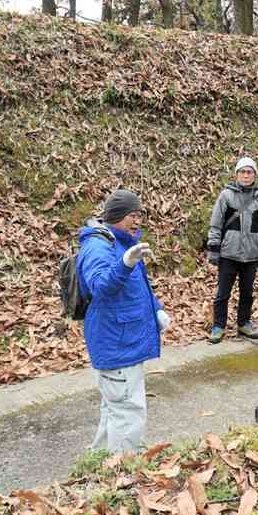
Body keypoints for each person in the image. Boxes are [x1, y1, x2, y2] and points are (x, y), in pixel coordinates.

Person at [77, 189, 169, 453]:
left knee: (115, 409)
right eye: (133, 215)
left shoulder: (122, 242)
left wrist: (156, 310)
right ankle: (125, 470)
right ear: (117, 216)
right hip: (116, 343)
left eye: (139, 214)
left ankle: (102, 461)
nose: (137, 220)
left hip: (126, 339)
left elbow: (138, 288)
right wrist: (125, 263)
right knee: (129, 410)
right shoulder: (98, 246)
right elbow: (100, 286)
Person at [206, 156, 258, 344]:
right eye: (242, 171)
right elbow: (216, 224)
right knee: (223, 293)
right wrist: (213, 249)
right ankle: (218, 325)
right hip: (228, 253)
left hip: (251, 255)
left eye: (249, 172)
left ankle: (244, 323)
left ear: (255, 175)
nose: (245, 175)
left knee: (247, 292)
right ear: (236, 174)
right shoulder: (226, 196)